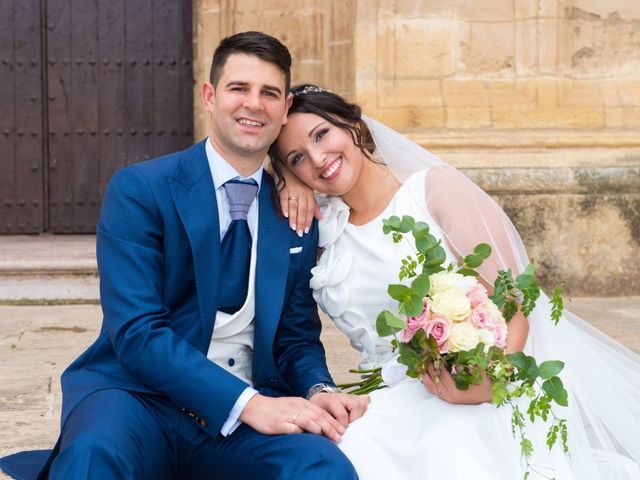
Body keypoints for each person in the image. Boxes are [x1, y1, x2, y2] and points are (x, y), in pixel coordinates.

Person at [0, 34, 369, 480]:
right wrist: (249, 406)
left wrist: (318, 387)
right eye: (239, 89)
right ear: (210, 97)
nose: (254, 104)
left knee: (322, 467)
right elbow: (137, 332)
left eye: (269, 93)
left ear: (285, 107)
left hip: (248, 411)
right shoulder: (141, 190)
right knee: (94, 457)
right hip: (137, 396)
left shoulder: (295, 210)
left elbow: (294, 336)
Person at [269, 84, 640, 479]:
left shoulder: (434, 191)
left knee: (446, 448)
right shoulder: (318, 230)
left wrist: (489, 379)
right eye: (298, 158)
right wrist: (280, 177)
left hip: (481, 386)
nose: (318, 159)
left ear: (352, 123)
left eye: (322, 135)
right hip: (388, 397)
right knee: (331, 454)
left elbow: (515, 304)